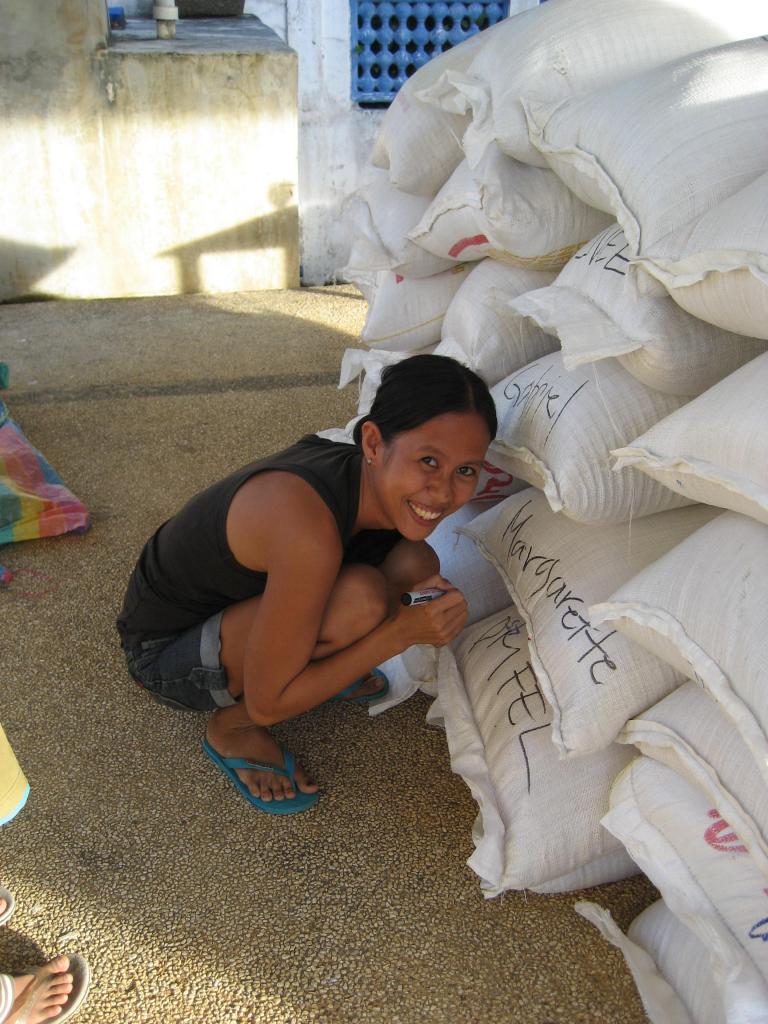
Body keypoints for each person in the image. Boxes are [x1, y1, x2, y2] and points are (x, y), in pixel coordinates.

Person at [117, 354, 497, 814]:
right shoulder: (306, 530)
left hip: (237, 610)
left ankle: (315, 667)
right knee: (361, 601)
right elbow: (270, 702)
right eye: (429, 461)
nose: (442, 492)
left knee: (416, 561)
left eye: (465, 471)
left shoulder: (359, 475)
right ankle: (231, 728)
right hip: (165, 653)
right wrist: (400, 634)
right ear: (374, 443)